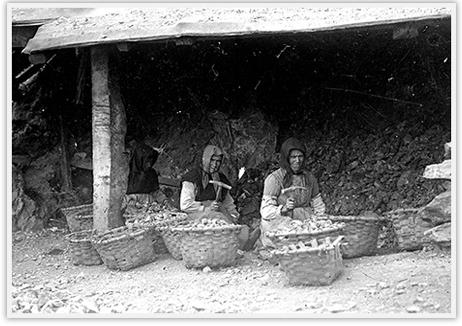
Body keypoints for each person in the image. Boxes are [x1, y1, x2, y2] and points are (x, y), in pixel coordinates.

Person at [180, 144, 251, 250]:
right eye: (212, 160)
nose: (215, 164)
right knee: (221, 222)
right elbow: (185, 205)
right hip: (197, 216)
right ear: (205, 159)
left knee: (231, 223)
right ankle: (239, 244)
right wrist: (206, 207)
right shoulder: (192, 178)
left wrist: (233, 215)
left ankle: (244, 240)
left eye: (218, 161)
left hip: (217, 212)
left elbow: (228, 202)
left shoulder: (221, 178)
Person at [259, 137, 326, 248]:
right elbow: (266, 211)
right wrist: (283, 209)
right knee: (284, 240)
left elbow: (318, 204)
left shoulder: (309, 178)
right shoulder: (274, 179)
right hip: (281, 221)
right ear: (286, 158)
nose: (297, 161)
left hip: (304, 219)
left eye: (300, 157)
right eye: (293, 157)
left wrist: (321, 220)